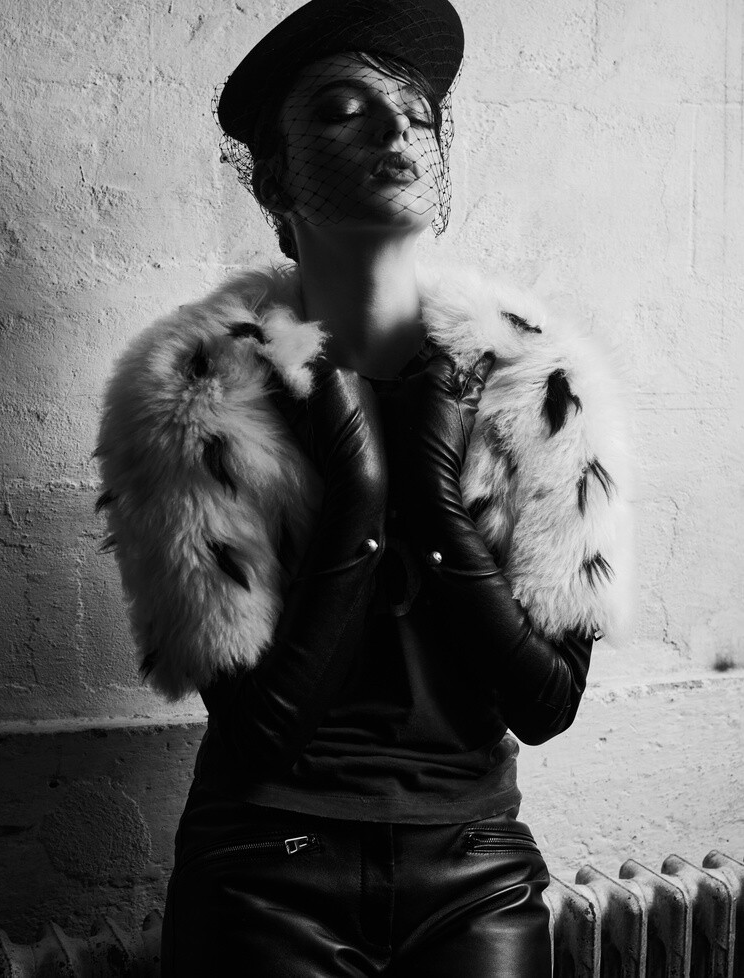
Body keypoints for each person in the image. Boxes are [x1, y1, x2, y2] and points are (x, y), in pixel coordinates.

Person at [96, 0, 633, 974]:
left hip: (476, 867)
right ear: (275, 178)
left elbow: (547, 705)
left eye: (418, 115)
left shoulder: (534, 381)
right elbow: (258, 732)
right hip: (262, 864)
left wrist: (432, 505)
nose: (395, 129)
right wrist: (359, 493)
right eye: (345, 110)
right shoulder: (199, 387)